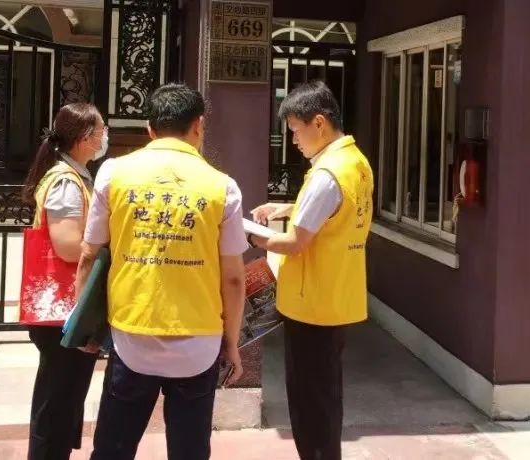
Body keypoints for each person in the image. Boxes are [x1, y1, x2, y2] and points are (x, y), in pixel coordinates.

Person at [75, 83, 247, 460]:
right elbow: (234, 279)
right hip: (198, 343)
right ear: (198, 126)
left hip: (131, 336)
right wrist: (232, 343)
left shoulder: (113, 173)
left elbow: (89, 254)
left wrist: (84, 323)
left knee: (113, 448)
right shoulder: (223, 188)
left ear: (150, 129)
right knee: (189, 450)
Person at [249, 81, 374, 460]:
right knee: (326, 397)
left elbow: (295, 242)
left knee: (309, 407)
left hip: (311, 304)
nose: (293, 141)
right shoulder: (355, 162)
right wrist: (290, 208)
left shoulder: (326, 174)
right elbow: (335, 212)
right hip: (337, 297)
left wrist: (250, 235)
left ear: (318, 123)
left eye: (295, 130)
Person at [21, 102, 108, 460]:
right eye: (101, 131)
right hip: (63, 310)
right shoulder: (66, 182)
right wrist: (108, 243)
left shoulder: (76, 176)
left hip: (67, 307)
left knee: (64, 399)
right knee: (57, 402)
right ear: (86, 138)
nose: (104, 137)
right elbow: (69, 246)